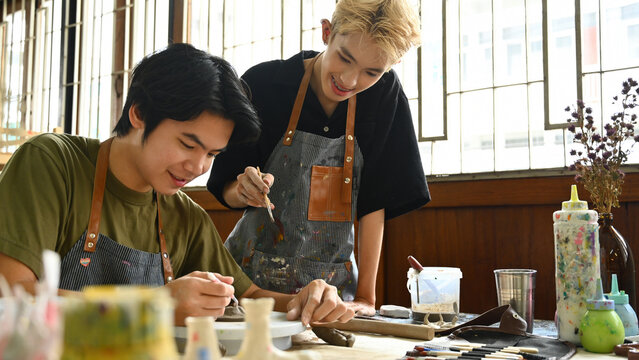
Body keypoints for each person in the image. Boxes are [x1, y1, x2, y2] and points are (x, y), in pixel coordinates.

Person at [0, 43, 354, 326]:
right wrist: (155, 305)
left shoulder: (186, 216)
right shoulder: (51, 162)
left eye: (212, 154)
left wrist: (306, 300)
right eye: (188, 144)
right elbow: (14, 297)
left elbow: (250, 298)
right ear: (138, 113)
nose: (197, 166)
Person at [208, 0, 430, 316]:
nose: (351, 81)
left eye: (372, 72)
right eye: (345, 58)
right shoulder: (265, 84)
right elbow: (225, 187)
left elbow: (373, 205)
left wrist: (366, 297)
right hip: (246, 290)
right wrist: (241, 189)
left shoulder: (384, 96)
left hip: (332, 297)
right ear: (327, 32)